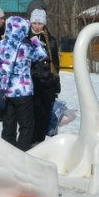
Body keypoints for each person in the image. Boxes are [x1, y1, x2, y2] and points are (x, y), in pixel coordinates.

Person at [0, 15, 48, 151]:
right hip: (23, 91)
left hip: (6, 91)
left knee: (8, 124)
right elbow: (42, 55)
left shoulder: (0, 45)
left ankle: (7, 152)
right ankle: (21, 153)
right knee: (27, 125)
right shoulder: (25, 47)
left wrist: (1, 86)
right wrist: (34, 39)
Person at [29, 8, 61, 145]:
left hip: (47, 85)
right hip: (31, 83)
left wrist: (55, 83)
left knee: (44, 116)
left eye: (40, 23)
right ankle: (30, 143)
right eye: (34, 23)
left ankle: (40, 143)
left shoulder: (50, 40)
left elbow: (56, 65)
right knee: (31, 117)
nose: (37, 26)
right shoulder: (26, 38)